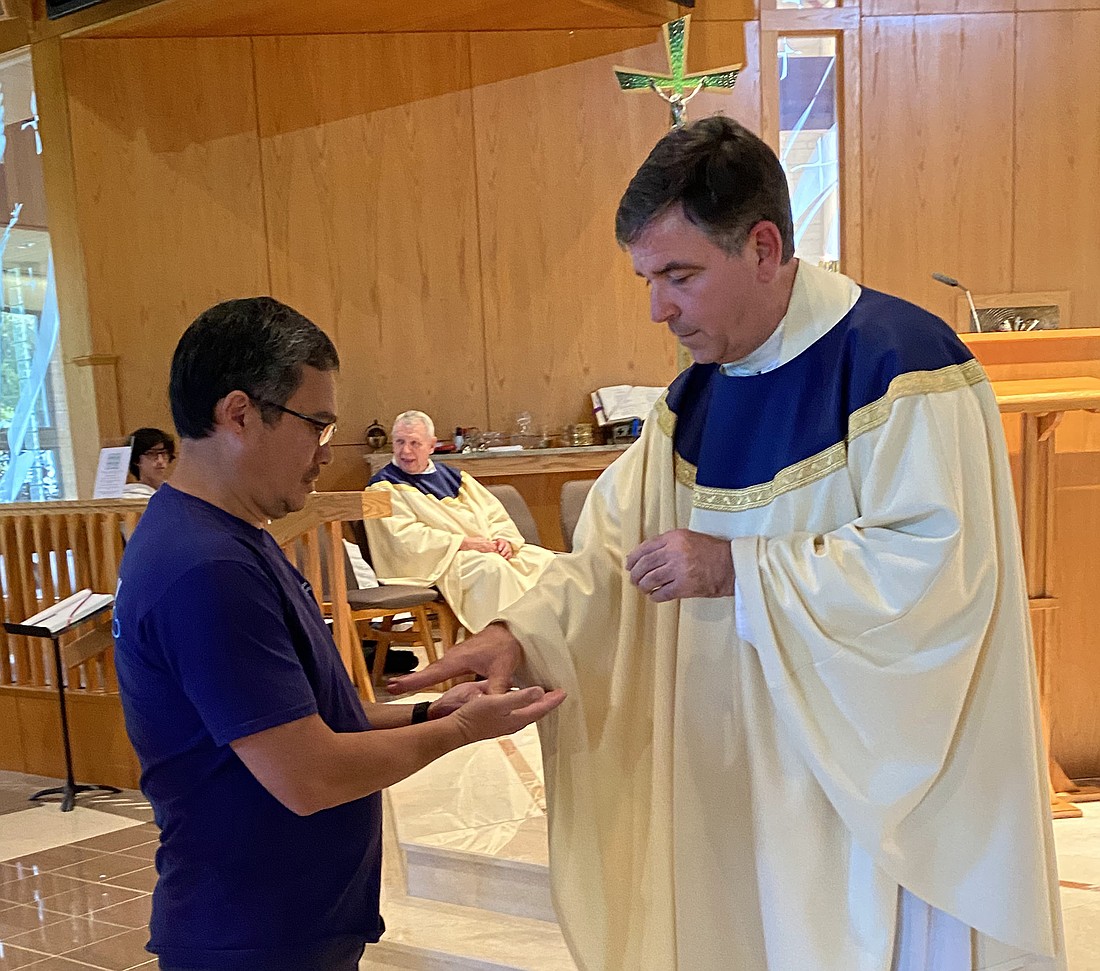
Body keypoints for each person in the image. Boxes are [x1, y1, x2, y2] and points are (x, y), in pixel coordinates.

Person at [391, 118, 1066, 971]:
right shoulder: (693, 401)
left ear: (762, 245)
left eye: (679, 275)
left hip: (862, 801)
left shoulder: (902, 366)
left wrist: (737, 566)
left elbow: (937, 573)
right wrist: (517, 633)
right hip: (731, 785)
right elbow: (609, 559)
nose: (657, 308)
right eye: (647, 278)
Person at [112, 297, 564, 971]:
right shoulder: (204, 566)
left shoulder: (230, 537)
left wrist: (426, 710)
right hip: (254, 935)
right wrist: (462, 732)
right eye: (317, 425)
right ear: (238, 413)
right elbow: (309, 773)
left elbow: (298, 721)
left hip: (285, 923)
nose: (329, 452)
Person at [364, 410, 555, 633]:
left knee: (546, 562)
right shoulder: (381, 487)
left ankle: (550, 640)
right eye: (399, 442)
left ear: (432, 445)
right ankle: (504, 648)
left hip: (482, 550)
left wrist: (504, 539)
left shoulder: (456, 478)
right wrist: (464, 543)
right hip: (442, 561)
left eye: (415, 443)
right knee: (491, 570)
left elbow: (494, 514)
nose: (406, 451)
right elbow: (404, 538)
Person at [122, 427, 175, 497]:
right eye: (151, 454)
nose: (160, 461)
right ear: (136, 460)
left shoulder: (175, 492)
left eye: (164, 453)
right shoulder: (129, 496)